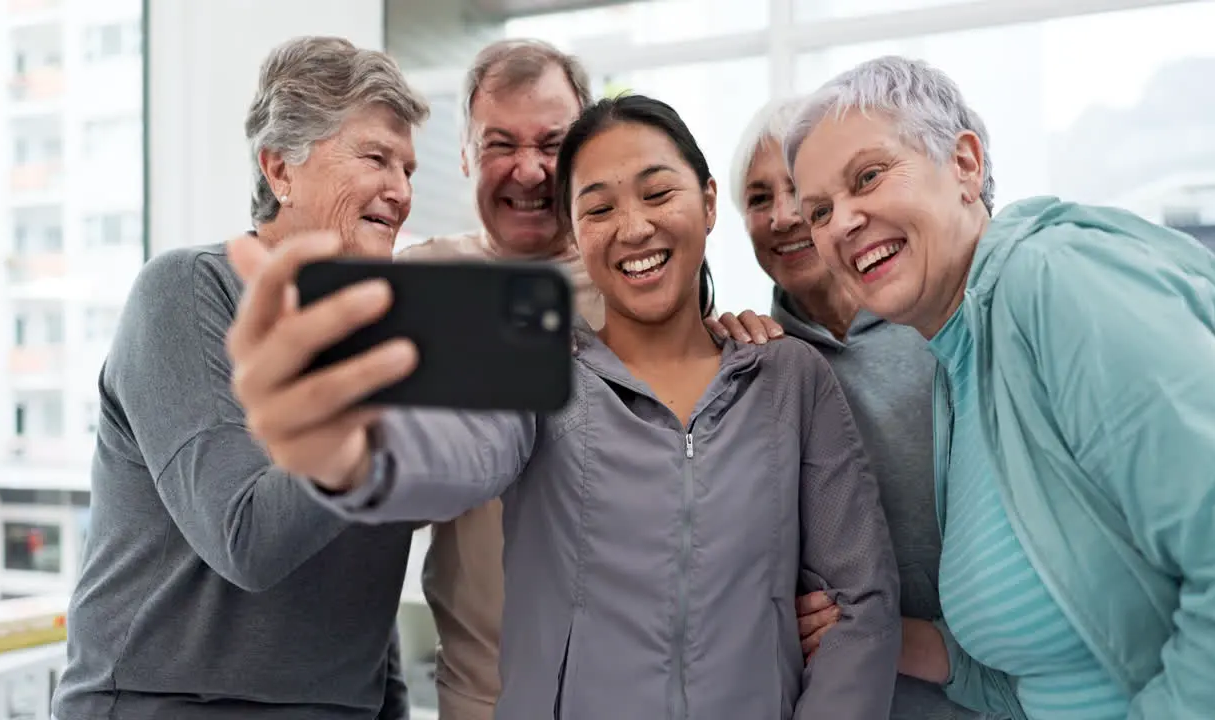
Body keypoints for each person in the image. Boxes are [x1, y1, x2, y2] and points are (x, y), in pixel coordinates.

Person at [225, 94, 902, 719]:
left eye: (658, 193)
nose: (633, 227)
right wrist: (350, 453)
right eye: (599, 208)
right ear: (575, 235)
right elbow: (455, 458)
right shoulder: (541, 373)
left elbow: (861, 605)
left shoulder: (789, 377)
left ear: (706, 202)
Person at [784, 55, 1215, 719]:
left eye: (868, 176)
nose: (841, 223)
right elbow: (1037, 678)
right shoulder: (959, 370)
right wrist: (879, 635)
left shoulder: (1056, 279)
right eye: (819, 211)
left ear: (965, 165)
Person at [399, 38, 777, 720]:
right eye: (498, 144)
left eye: (552, 142)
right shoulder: (422, 284)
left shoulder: (642, 279)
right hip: (482, 694)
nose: (530, 169)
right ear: (463, 157)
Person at [51, 36, 427, 720]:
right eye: (375, 158)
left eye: (408, 168)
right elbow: (246, 538)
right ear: (280, 169)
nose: (400, 192)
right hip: (161, 703)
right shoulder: (188, 292)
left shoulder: (377, 336)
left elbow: (363, 577)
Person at [729, 97, 981, 720]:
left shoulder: (942, 320)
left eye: (800, 194)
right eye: (759, 199)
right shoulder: (750, 361)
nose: (786, 217)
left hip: (1005, 686)